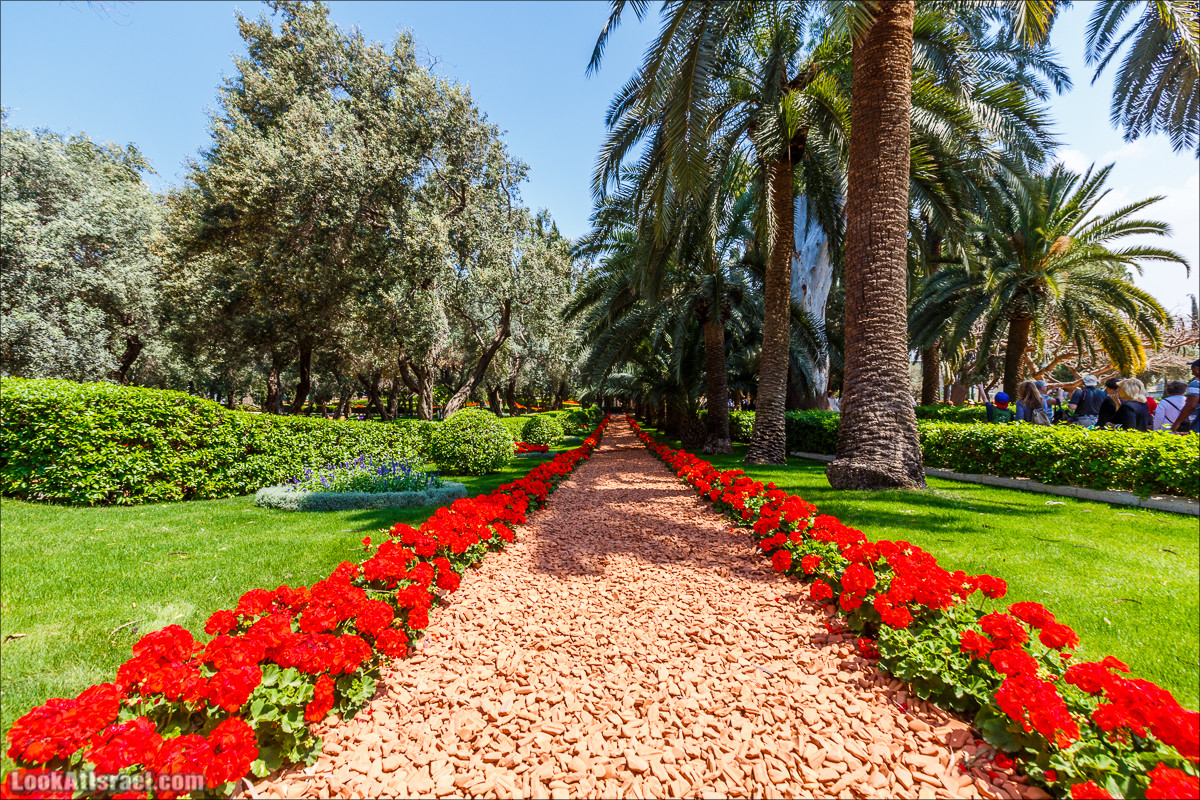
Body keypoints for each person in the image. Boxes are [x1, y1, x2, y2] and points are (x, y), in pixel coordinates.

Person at [1170, 359, 1200, 434]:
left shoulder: (1196, 383)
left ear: (1197, 370)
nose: (1192, 373)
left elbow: (1191, 406)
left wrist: (1177, 423)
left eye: (1192, 369)